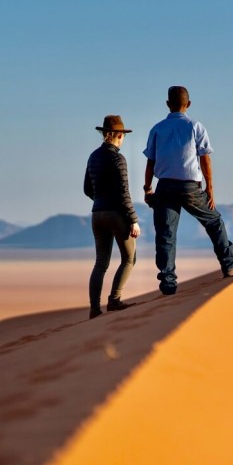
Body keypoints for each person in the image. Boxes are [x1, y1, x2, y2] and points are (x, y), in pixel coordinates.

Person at [143, 86, 233, 295]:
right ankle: (229, 266)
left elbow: (150, 162)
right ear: (188, 104)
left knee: (166, 234)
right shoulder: (195, 126)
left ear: (167, 104)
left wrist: (147, 188)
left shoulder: (157, 129)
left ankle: (168, 283)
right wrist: (210, 189)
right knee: (214, 221)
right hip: (189, 186)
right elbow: (205, 159)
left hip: (164, 186)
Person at [84, 115, 141, 319]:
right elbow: (124, 192)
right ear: (118, 135)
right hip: (116, 214)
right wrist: (133, 219)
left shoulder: (93, 157)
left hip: (97, 214)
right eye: (123, 135)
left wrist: (101, 199)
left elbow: (87, 189)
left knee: (101, 262)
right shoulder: (118, 159)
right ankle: (114, 300)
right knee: (129, 258)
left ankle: (94, 309)